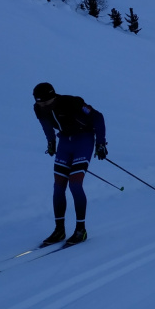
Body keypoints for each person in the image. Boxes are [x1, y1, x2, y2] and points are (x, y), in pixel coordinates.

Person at [32, 82, 107, 247]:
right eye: (39, 102)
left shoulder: (72, 102)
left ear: (53, 96)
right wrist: (51, 142)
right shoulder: (38, 108)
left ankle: (81, 230)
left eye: (46, 102)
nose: (43, 105)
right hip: (65, 142)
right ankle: (59, 230)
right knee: (58, 186)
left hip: (83, 140)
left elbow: (98, 117)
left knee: (75, 183)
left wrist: (101, 143)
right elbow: (46, 125)